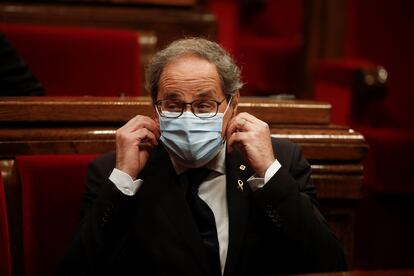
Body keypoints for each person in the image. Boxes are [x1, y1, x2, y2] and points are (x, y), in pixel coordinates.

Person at [58, 37, 346, 276]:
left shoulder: (279, 161)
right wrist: (121, 182)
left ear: (233, 105)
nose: (187, 118)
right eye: (172, 105)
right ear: (154, 108)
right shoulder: (116, 170)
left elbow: (330, 264)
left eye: (205, 105)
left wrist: (269, 174)